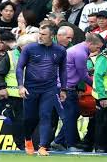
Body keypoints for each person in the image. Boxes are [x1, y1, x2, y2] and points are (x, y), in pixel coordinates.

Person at [16, 23, 67, 156]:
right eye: (39, 33)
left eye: (43, 34)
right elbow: (20, 67)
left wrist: (63, 89)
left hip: (49, 89)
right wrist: (21, 86)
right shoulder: (30, 48)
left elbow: (63, 71)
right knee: (30, 118)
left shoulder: (60, 50)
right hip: (31, 88)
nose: (40, 36)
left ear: (52, 36)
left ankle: (43, 146)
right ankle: (28, 139)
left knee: (46, 116)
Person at [51, 33, 103, 152]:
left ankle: (58, 141)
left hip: (65, 86)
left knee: (74, 114)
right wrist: (97, 87)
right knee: (70, 116)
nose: (98, 50)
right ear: (90, 43)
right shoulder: (80, 53)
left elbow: (78, 70)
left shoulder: (78, 49)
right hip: (65, 88)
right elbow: (83, 75)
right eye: (97, 47)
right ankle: (70, 144)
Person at [0, 34, 36, 151]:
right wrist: (1, 88)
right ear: (23, 47)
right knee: (19, 122)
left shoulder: (35, 55)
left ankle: (30, 143)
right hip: (14, 96)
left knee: (32, 120)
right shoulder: (10, 56)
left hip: (32, 95)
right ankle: (22, 145)